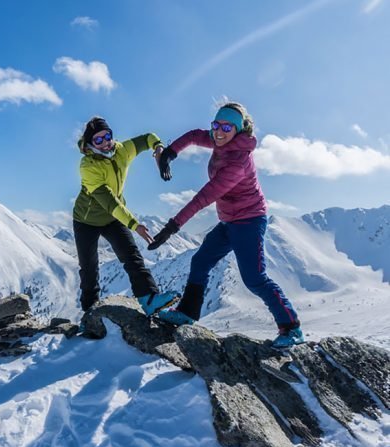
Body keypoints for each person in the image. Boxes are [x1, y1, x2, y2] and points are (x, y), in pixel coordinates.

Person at [149, 102, 304, 348]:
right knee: (199, 262)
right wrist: (170, 152)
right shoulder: (219, 140)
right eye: (216, 125)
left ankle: (291, 327)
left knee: (254, 279)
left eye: (227, 127)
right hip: (230, 220)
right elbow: (192, 136)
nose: (219, 132)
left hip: (249, 221)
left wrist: (172, 227)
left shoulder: (237, 162)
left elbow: (203, 198)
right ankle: (187, 313)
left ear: (238, 130)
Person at [73, 116, 179, 317]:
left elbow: (148, 137)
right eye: (98, 140)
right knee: (89, 268)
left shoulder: (122, 150)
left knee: (132, 257)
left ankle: (149, 299)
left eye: (107, 136)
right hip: (86, 221)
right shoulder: (88, 166)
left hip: (112, 218)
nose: (105, 143)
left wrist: (157, 148)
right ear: (90, 143)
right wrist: (134, 224)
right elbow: (110, 202)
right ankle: (90, 314)